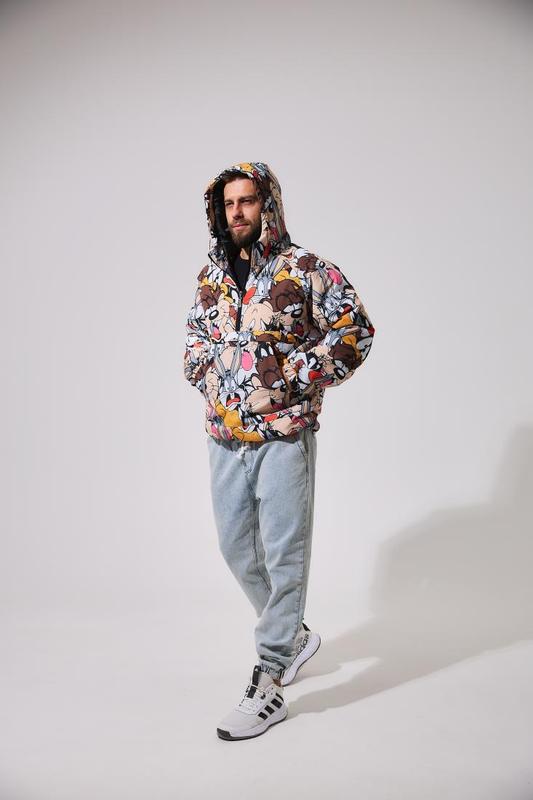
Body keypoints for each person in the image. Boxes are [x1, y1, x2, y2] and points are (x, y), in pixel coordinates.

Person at [183, 161, 375, 741]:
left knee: (285, 554)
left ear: (268, 205)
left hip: (284, 434)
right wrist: (209, 378)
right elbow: (195, 341)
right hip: (224, 435)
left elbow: (355, 332)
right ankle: (294, 636)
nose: (236, 212)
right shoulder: (211, 277)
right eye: (228, 204)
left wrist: (289, 376)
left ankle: (269, 681)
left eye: (246, 201)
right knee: (237, 549)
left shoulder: (307, 269)